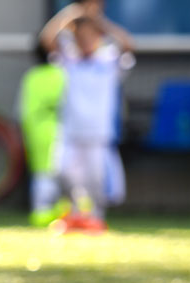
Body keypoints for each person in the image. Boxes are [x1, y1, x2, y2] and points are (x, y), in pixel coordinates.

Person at [41, 0, 135, 234]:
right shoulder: (69, 60)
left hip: (97, 134)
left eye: (90, 36)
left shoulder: (108, 60)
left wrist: (99, 21)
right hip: (71, 132)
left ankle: (95, 219)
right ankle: (73, 215)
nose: (85, 41)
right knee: (63, 174)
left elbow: (128, 44)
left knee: (95, 181)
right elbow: (47, 39)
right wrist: (75, 12)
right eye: (81, 37)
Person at [18, 40, 68, 228]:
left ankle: (41, 211)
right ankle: (59, 213)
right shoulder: (63, 74)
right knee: (62, 173)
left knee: (42, 172)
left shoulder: (31, 77)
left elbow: (22, 108)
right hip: (61, 129)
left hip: (35, 130)